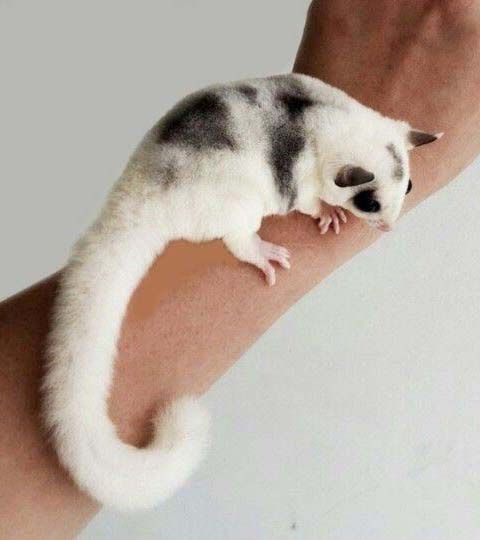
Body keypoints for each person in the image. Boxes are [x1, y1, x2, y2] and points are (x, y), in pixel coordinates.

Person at [1, 1, 479, 536]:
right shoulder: (335, 157)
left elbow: (309, 152)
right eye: (372, 207)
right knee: (250, 198)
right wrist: (255, 244)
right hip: (196, 177)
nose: (385, 222)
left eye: (399, 194)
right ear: (347, 177)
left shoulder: (358, 131)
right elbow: (296, 178)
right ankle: (242, 240)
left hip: (204, 149)